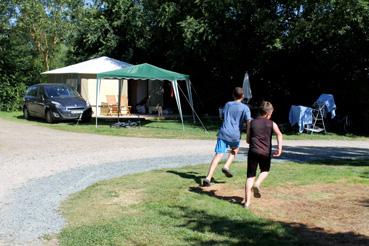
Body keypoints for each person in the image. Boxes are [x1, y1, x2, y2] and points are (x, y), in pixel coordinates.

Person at [202, 87, 251, 186]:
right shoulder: (245, 108)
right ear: (243, 96)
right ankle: (226, 166)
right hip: (235, 135)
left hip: (224, 132)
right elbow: (248, 121)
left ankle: (208, 177)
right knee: (235, 150)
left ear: (233, 95)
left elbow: (222, 116)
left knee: (218, 155)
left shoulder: (228, 104)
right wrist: (248, 134)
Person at [243, 101, 283, 208]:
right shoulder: (272, 123)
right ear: (267, 114)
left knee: (250, 176)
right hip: (265, 152)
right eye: (270, 114)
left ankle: (247, 203)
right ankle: (257, 184)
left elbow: (247, 140)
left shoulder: (251, 122)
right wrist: (279, 148)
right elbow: (279, 134)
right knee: (265, 170)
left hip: (253, 151)